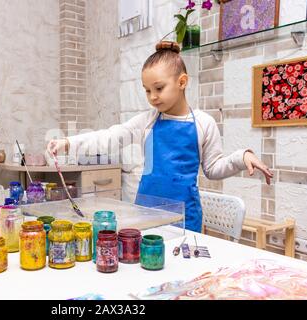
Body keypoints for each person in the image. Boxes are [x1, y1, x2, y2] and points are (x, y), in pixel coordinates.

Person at [47, 41, 273, 232]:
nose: (153, 97)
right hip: (146, 214)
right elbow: (110, 137)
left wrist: (241, 158)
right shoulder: (147, 120)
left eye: (159, 88)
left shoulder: (204, 123)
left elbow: (213, 169)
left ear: (182, 82)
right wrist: (69, 143)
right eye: (147, 90)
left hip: (185, 218)